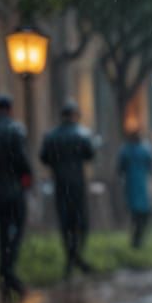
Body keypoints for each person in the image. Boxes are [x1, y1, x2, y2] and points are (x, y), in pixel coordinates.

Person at [0, 94, 32, 303]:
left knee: (4, 232)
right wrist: (27, 179)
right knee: (17, 232)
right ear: (10, 109)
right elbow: (21, 160)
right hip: (13, 190)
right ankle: (8, 272)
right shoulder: (14, 129)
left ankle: (6, 276)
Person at [40, 99, 96, 278]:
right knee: (81, 223)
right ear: (74, 115)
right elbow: (90, 154)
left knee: (65, 224)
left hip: (60, 185)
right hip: (77, 185)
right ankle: (76, 257)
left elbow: (44, 158)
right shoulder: (82, 134)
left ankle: (71, 259)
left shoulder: (51, 136)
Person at [117, 129, 152, 248]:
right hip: (142, 184)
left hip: (131, 184)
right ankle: (137, 240)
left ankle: (136, 240)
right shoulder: (145, 150)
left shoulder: (125, 150)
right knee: (143, 213)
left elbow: (120, 168)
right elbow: (151, 165)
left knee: (136, 213)